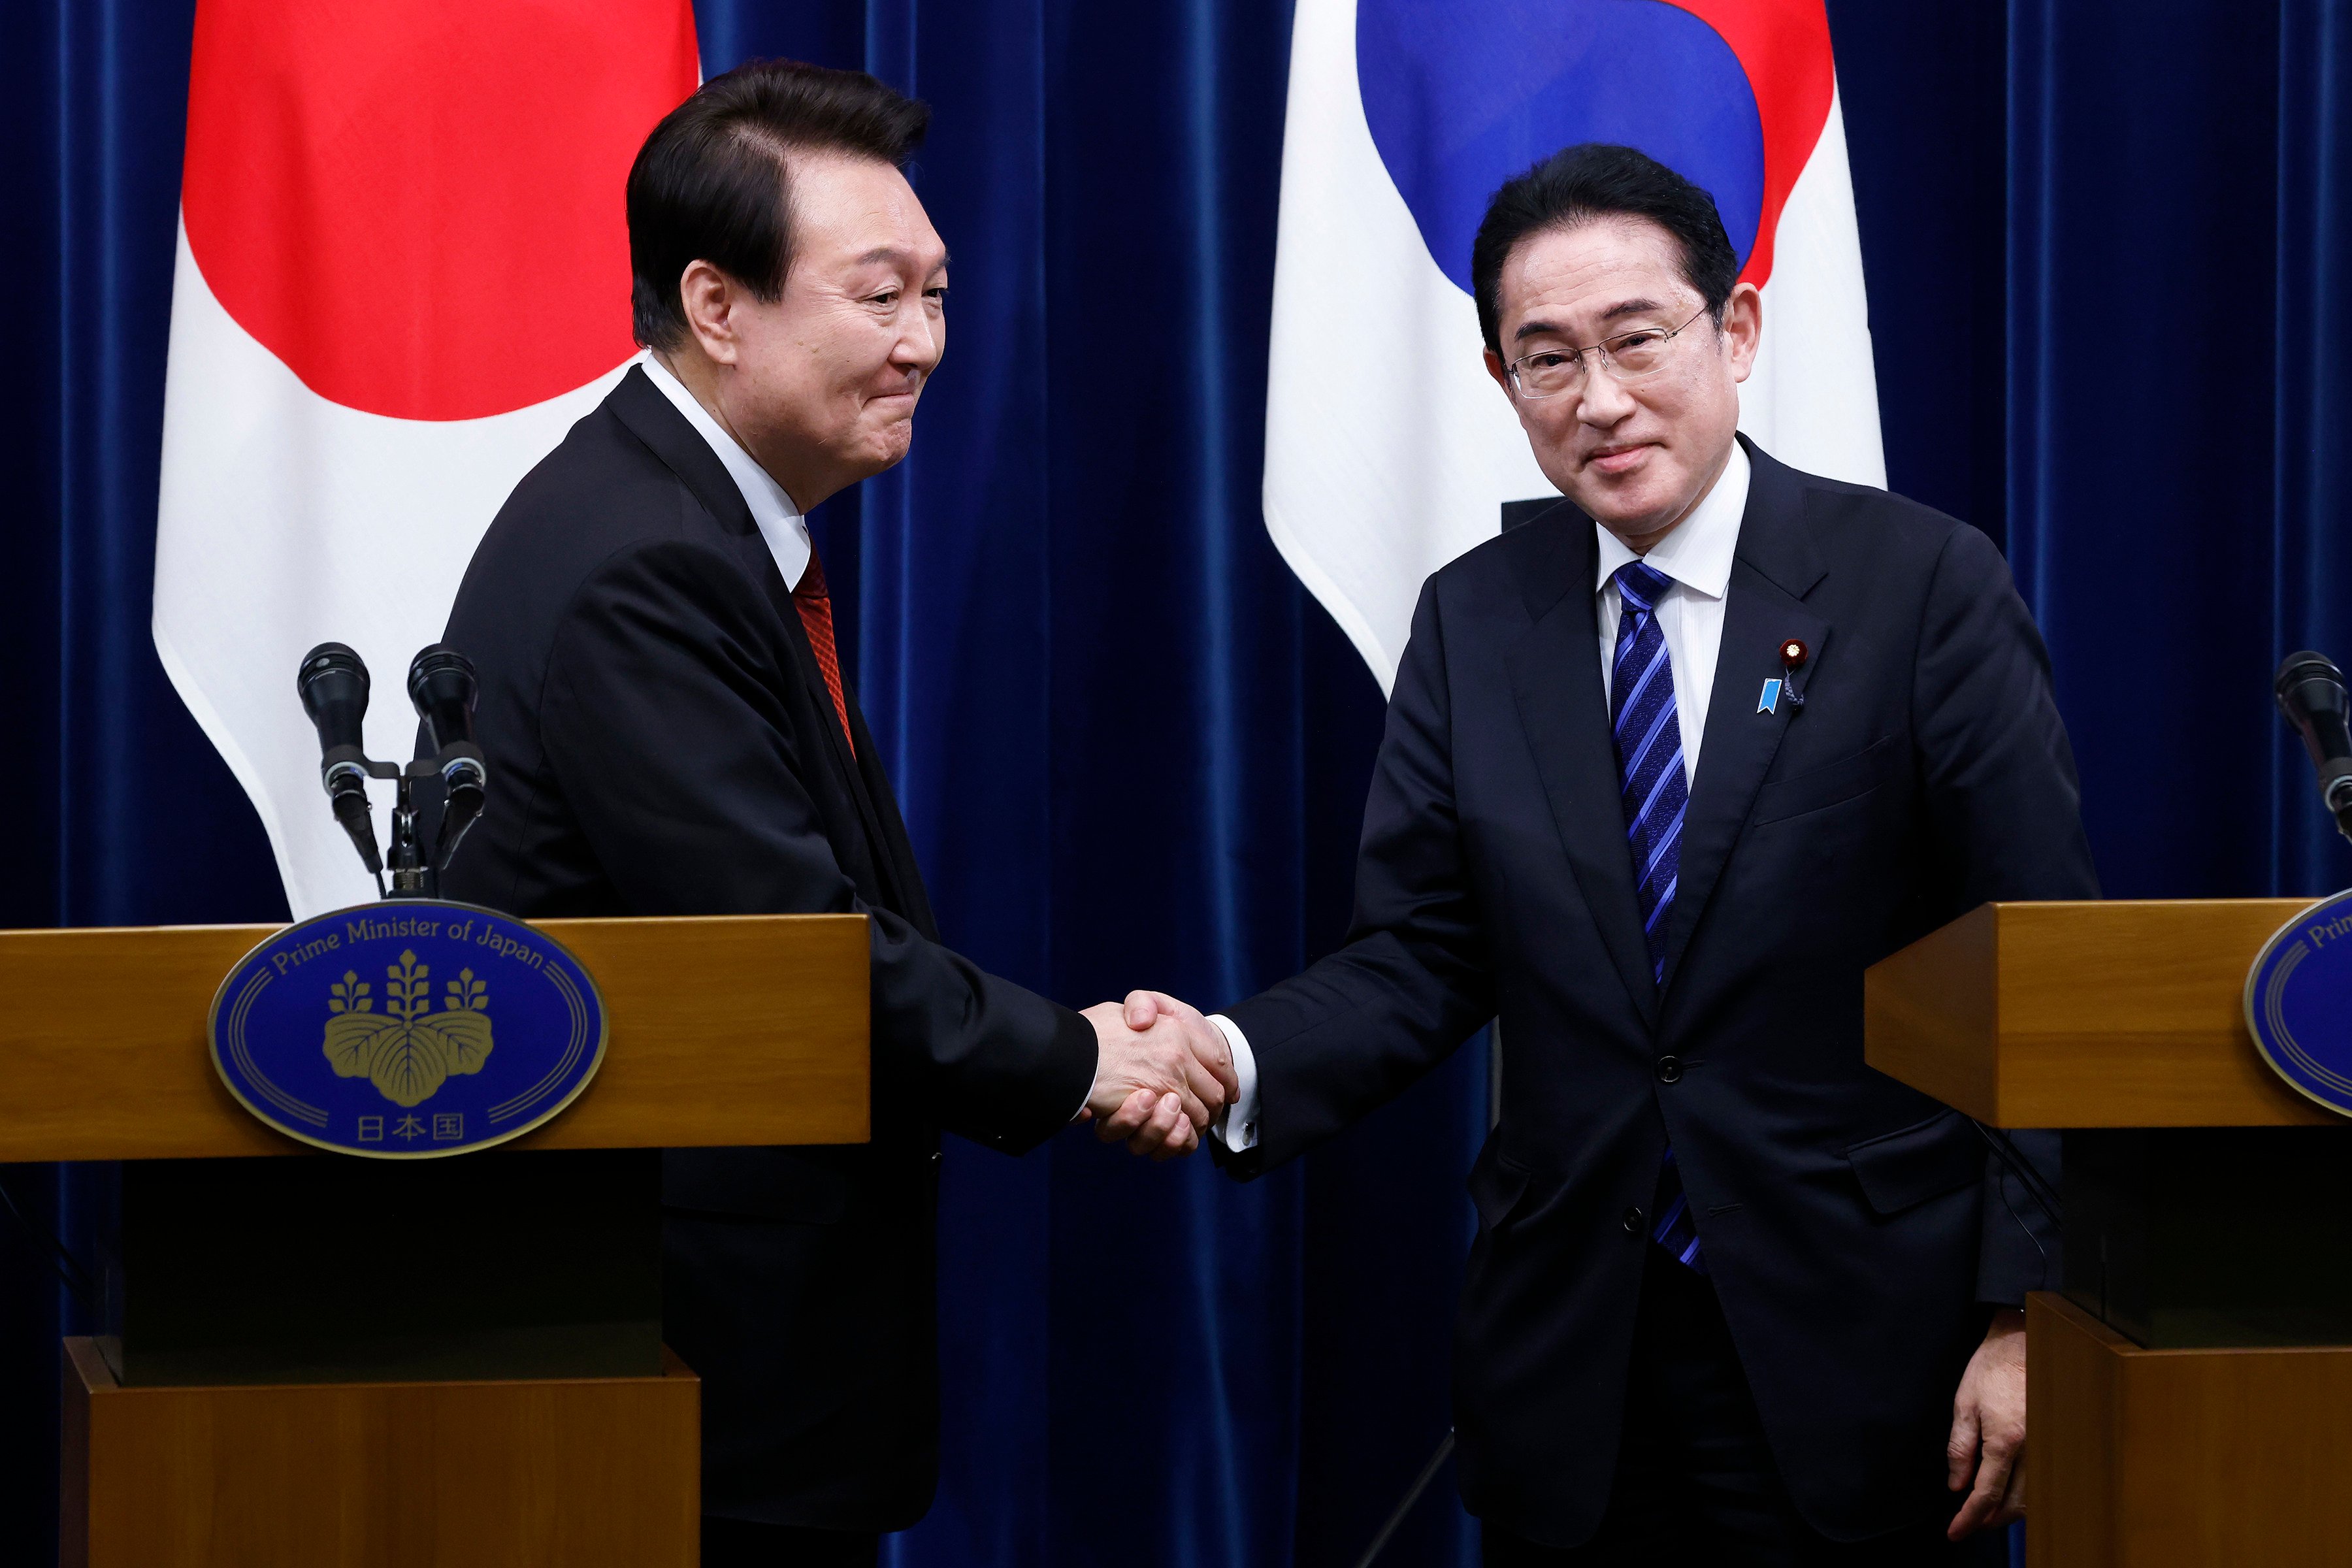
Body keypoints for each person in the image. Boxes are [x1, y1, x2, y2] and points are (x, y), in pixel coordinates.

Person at [1104, 143, 2095, 1562]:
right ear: (1502, 382)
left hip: (1861, 1348)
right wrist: (1228, 1056)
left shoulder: (1920, 585)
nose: (1601, 399)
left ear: (1736, 330)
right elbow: (1421, 954)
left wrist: (2025, 1312)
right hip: (1578, 1359)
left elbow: (2038, 961)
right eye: (1547, 359)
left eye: (1639, 339)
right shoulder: (1476, 619)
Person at [437, 59, 1233, 1567]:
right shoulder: (644, 561)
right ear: (718, 306)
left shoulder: (688, 518)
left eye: (935, 295)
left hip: (722, 1363)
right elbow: (788, 953)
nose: (925, 343)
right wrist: (1083, 1057)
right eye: (880, 299)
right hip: (676, 1365)